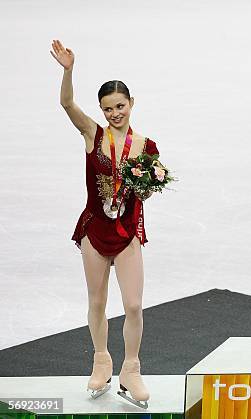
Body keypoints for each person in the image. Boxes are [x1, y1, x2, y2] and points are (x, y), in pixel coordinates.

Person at [50, 39, 156, 408]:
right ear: (101, 109)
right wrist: (68, 70)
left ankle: (131, 368)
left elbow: (149, 187)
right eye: (108, 108)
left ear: (132, 103)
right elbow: (66, 104)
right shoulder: (92, 135)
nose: (115, 113)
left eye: (120, 106)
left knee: (134, 305)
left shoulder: (146, 146)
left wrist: (146, 184)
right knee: (97, 301)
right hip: (96, 231)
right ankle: (100, 360)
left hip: (127, 234)